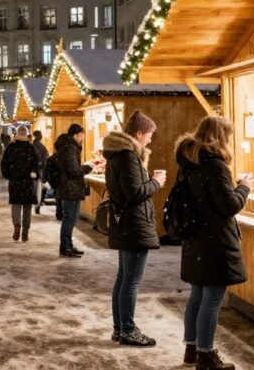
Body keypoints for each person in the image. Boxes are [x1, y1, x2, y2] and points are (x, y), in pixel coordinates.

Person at [176, 116, 252, 370]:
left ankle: (192, 349)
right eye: (228, 137)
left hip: (196, 237)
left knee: (197, 296)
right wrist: (244, 187)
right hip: (215, 241)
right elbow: (228, 205)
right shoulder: (215, 165)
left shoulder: (188, 161)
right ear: (221, 137)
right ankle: (206, 356)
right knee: (212, 299)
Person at [104, 109, 165, 347]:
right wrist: (156, 183)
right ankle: (127, 330)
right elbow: (136, 193)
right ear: (138, 133)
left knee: (124, 279)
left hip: (126, 224)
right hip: (133, 225)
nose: (150, 138)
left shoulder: (117, 155)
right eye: (149, 134)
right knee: (131, 281)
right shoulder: (128, 157)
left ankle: (120, 328)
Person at [56, 124, 93, 257]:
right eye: (82, 135)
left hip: (71, 188)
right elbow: (73, 170)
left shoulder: (69, 148)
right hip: (69, 188)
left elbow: (73, 168)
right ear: (75, 135)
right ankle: (65, 247)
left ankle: (68, 245)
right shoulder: (69, 149)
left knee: (71, 218)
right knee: (69, 218)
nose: (83, 138)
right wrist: (88, 167)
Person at [2, 126, 40, 242]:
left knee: (16, 205)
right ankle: (25, 232)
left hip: (15, 181)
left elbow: (4, 163)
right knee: (27, 207)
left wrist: (9, 175)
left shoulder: (11, 147)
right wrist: (34, 173)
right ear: (27, 134)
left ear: (17, 133)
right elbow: (36, 163)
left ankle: (17, 225)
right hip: (28, 181)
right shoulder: (31, 147)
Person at [32, 130, 50, 214]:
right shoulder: (42, 146)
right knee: (40, 188)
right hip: (40, 171)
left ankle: (37, 203)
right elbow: (46, 157)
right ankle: (38, 203)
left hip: (34, 171)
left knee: (36, 188)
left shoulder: (33, 146)